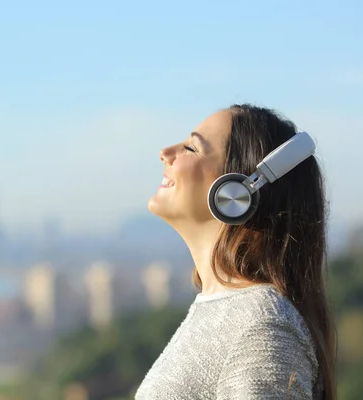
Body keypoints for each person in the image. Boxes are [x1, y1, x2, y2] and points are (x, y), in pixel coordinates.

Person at [135, 104, 336, 400]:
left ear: (236, 193)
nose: (165, 152)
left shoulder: (262, 324)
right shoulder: (223, 308)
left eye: (191, 148)